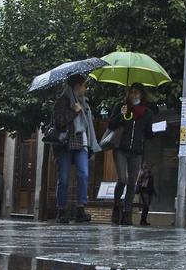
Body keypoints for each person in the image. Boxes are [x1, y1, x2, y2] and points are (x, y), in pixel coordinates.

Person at [50, 74, 100, 224]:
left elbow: (88, 125)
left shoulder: (85, 103)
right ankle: (62, 210)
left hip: (82, 142)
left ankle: (80, 208)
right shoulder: (62, 101)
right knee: (63, 179)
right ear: (77, 86)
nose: (86, 88)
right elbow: (58, 122)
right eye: (84, 85)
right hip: (65, 144)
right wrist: (74, 112)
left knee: (83, 174)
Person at [105, 83, 157, 226]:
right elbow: (111, 126)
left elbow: (148, 133)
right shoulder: (121, 107)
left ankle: (127, 213)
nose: (134, 95)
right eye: (132, 92)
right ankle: (117, 206)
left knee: (132, 183)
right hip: (121, 149)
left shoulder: (147, 113)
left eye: (137, 93)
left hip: (136, 151)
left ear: (141, 95)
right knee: (123, 179)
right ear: (128, 94)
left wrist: (153, 133)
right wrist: (121, 116)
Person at [135, 162, 156, 226]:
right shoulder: (143, 172)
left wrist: (154, 192)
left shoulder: (150, 174)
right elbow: (140, 181)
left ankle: (144, 220)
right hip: (144, 191)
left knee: (146, 207)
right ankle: (142, 221)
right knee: (146, 206)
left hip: (149, 191)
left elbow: (151, 184)